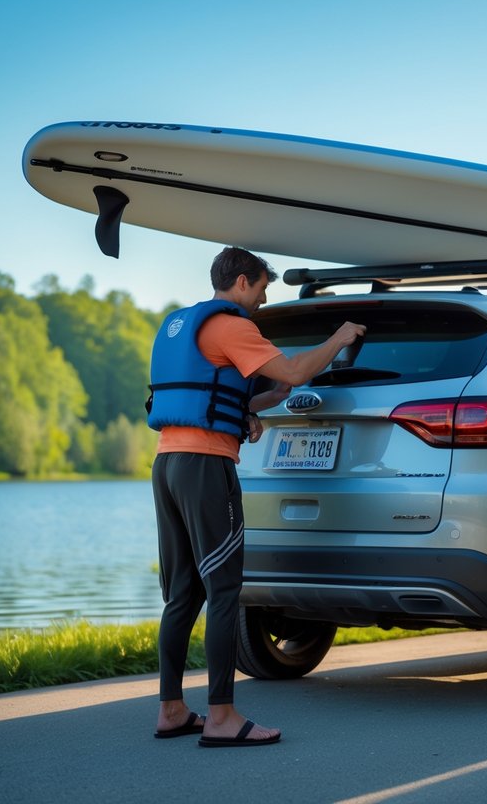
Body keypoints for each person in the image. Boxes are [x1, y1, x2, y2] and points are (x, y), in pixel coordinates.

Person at [148, 246, 365, 747]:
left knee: (183, 593)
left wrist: (248, 411)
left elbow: (225, 393)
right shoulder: (233, 325)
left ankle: (172, 710)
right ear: (242, 281)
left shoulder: (180, 326)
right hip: (206, 467)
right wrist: (339, 337)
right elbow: (291, 372)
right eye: (264, 288)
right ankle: (222, 717)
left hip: (168, 463)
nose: (265, 299)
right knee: (224, 590)